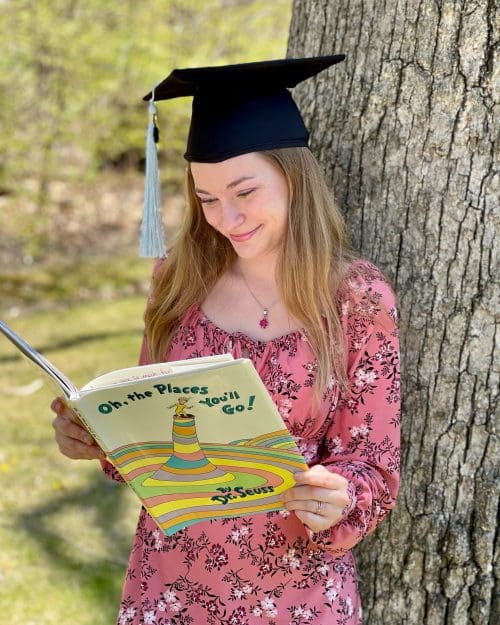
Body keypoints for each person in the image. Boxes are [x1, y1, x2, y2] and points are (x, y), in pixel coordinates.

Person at [51, 56, 400, 625]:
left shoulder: (356, 298)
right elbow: (148, 419)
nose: (227, 218)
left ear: (292, 176)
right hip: (169, 584)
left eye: (243, 192)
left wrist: (340, 496)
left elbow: (374, 464)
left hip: (294, 590)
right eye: (206, 198)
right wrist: (96, 435)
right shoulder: (178, 279)